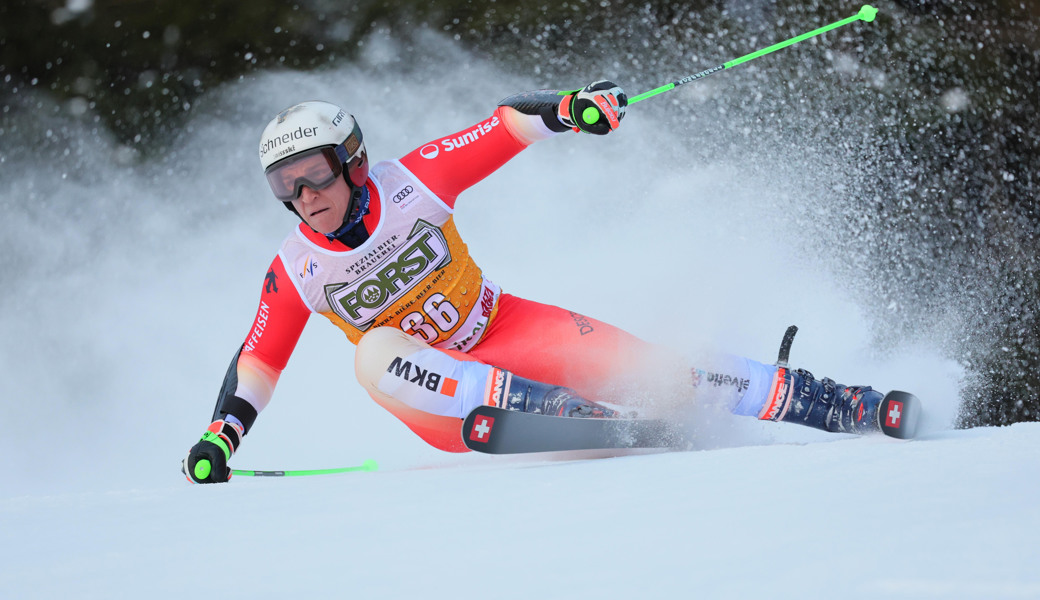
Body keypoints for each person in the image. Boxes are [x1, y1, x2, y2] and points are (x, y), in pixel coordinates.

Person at [182, 80, 891, 483]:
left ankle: (833, 403)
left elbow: (504, 126)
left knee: (655, 368)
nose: (302, 194)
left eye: (313, 173)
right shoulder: (298, 267)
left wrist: (575, 109)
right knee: (372, 356)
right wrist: (222, 437)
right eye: (284, 183)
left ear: (355, 162)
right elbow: (258, 362)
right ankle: (548, 408)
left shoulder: (416, 182)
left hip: (505, 328)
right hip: (441, 398)